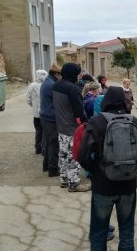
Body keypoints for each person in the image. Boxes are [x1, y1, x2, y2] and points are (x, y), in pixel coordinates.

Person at [78, 86, 137, 250]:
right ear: (124, 102)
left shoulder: (96, 122)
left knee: (99, 233)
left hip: (102, 186)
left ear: (106, 100)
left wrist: (95, 172)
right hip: (128, 186)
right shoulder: (135, 122)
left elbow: (83, 156)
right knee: (127, 232)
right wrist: (131, 170)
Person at [53, 62, 90, 192]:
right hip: (72, 128)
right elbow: (79, 111)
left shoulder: (56, 85)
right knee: (74, 155)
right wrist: (87, 123)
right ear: (72, 73)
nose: (79, 75)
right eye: (78, 72)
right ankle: (74, 183)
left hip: (61, 126)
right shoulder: (73, 88)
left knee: (62, 154)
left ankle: (63, 179)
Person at [40, 64, 62, 177]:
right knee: (53, 144)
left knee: (48, 142)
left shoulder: (46, 82)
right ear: (56, 74)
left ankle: (46, 165)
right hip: (50, 117)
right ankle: (53, 169)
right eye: (60, 75)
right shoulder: (52, 85)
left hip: (44, 116)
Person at [26, 69, 48, 155]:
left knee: (38, 131)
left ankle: (38, 148)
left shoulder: (32, 86)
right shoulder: (46, 85)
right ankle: (44, 149)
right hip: (46, 113)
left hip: (36, 114)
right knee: (45, 131)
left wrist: (34, 106)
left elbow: (28, 99)